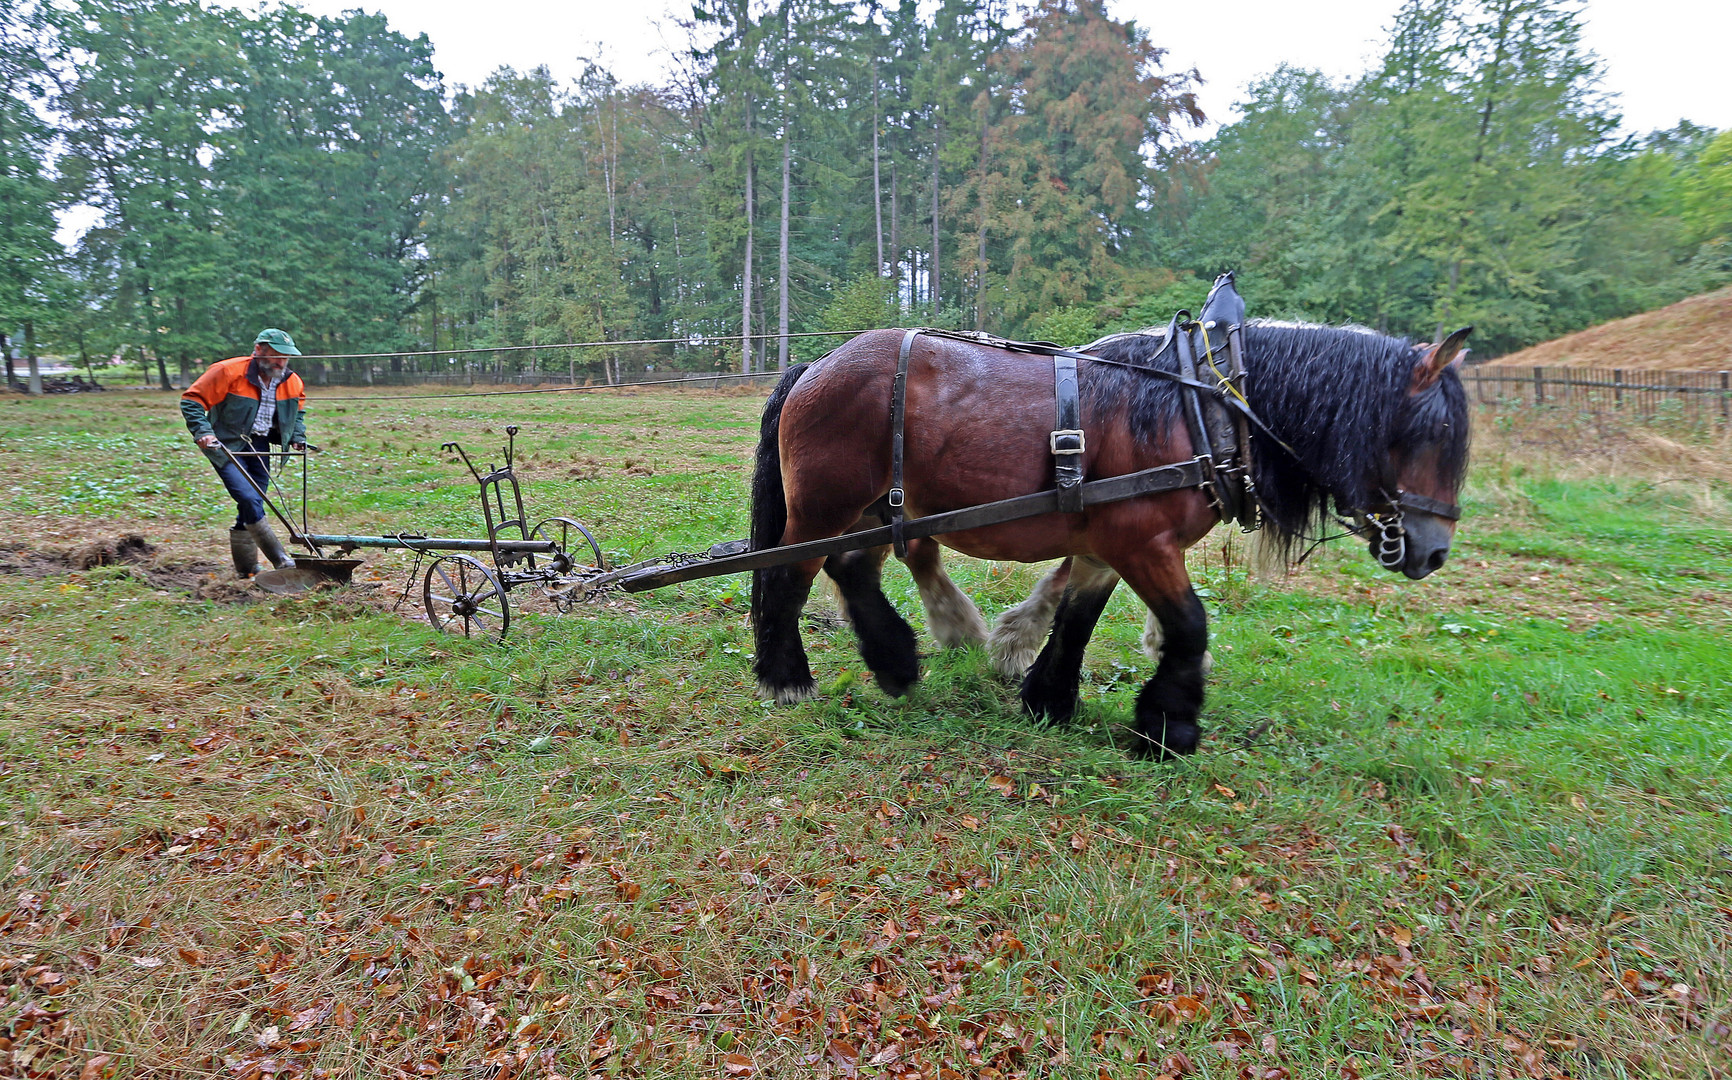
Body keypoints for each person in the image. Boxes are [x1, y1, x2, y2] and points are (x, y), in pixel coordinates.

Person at [180, 328, 309, 576]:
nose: (281, 362)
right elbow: (192, 400)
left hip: (260, 447)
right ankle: (280, 560)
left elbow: (298, 412)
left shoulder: (292, 381)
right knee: (248, 498)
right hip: (226, 446)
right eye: (276, 355)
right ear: (258, 350)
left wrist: (297, 436)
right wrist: (203, 432)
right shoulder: (228, 371)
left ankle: (246, 570)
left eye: (286, 357)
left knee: (253, 502)